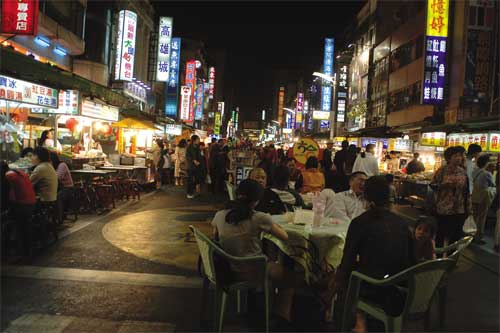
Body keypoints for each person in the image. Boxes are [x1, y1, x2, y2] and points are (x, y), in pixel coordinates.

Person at [331, 176, 414, 333]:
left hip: (377, 289)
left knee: (345, 275)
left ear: (366, 197)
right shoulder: (402, 223)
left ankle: (353, 320)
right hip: (403, 289)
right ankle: (361, 320)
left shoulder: (360, 222)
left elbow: (347, 262)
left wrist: (335, 282)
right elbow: (411, 258)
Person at [211, 179, 301, 322]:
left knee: (274, 266)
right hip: (254, 270)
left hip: (226, 268)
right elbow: (284, 236)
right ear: (257, 200)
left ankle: (269, 306)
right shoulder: (259, 217)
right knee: (291, 278)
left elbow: (215, 237)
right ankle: (282, 316)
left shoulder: (219, 215)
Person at [431, 146, 471, 248]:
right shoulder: (442, 170)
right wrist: (444, 185)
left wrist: (468, 208)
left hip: (459, 209)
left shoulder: (463, 172)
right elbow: (433, 185)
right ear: (449, 158)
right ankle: (439, 258)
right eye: (456, 156)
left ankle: (451, 259)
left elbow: (466, 191)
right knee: (441, 234)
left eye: (460, 155)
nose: (459, 158)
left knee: (456, 236)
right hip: (444, 209)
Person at [1, 161, 37, 260]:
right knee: (24, 227)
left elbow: (6, 196)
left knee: (18, 226)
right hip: (32, 204)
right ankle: (27, 251)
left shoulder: (8, 177)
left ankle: (17, 251)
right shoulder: (20, 173)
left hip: (22, 206)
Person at [471, 154, 497, 242]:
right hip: (482, 197)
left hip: (474, 196)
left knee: (474, 216)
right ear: (486, 163)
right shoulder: (487, 174)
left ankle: (471, 235)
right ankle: (479, 236)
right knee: (481, 217)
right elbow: (493, 184)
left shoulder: (474, 171)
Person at [186, 135, 202, 199]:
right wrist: (194, 160)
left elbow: (199, 156)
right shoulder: (189, 147)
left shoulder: (197, 147)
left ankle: (195, 190)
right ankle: (189, 193)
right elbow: (188, 156)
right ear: (194, 140)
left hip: (197, 166)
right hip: (191, 166)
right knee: (190, 180)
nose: (199, 140)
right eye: (198, 139)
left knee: (197, 179)